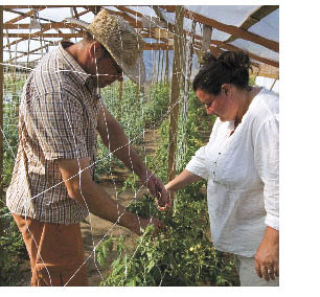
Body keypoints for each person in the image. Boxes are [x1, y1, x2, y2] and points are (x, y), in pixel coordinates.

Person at [6, 9, 169, 286]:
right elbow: (78, 185)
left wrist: (144, 173)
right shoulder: (56, 91)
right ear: (95, 50)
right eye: (118, 69)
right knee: (64, 285)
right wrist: (134, 222)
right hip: (45, 211)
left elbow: (107, 126)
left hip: (60, 206)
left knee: (55, 281)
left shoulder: (83, 76)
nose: (119, 79)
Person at [165, 51, 279, 286]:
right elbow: (208, 158)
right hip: (244, 242)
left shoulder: (268, 117)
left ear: (227, 90)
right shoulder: (229, 117)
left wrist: (271, 243)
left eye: (208, 103)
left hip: (262, 247)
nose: (207, 110)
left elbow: (281, 185)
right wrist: (170, 188)